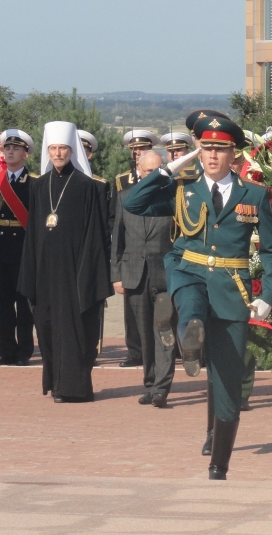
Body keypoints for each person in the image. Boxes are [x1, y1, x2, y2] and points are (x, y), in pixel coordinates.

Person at [124, 115, 272, 480]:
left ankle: (219, 463)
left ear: (233, 155)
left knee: (228, 381)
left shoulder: (254, 195)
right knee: (191, 307)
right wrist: (171, 165)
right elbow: (135, 202)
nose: (212, 156)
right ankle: (188, 336)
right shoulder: (182, 189)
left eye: (220, 150)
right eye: (206, 148)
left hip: (231, 286)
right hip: (188, 271)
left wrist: (269, 295)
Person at [17, 122, 113, 403]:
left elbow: (95, 235)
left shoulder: (88, 186)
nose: (58, 153)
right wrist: (30, 274)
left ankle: (76, 388)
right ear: (47, 151)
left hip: (75, 273)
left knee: (77, 332)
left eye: (63, 148)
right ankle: (56, 383)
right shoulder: (38, 186)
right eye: (53, 149)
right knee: (47, 329)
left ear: (72, 151)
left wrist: (88, 275)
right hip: (46, 273)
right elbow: (33, 232)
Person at [113, 144, 176, 408]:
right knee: (143, 334)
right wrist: (116, 274)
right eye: (147, 170)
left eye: (157, 170)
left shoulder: (174, 198)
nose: (152, 175)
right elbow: (117, 238)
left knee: (163, 331)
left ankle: (161, 387)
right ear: (139, 170)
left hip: (165, 276)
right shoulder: (125, 197)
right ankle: (149, 383)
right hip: (134, 274)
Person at [0, 129, 36, 366]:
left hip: (24, 248)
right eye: (7, 148)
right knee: (2, 304)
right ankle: (6, 351)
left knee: (24, 304)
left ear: (26, 154)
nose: (10, 151)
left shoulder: (35, 183)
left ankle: (24, 351)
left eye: (16, 148)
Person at [117, 129, 160, 369]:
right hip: (133, 263)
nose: (136, 153)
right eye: (134, 150)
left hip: (160, 264)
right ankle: (135, 352)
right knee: (133, 317)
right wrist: (116, 272)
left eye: (142, 149)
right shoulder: (123, 186)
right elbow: (118, 231)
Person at [78, 127, 114, 364]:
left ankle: (91, 348)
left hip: (92, 253)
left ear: (89, 155)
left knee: (92, 301)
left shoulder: (100, 186)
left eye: (84, 150)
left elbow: (106, 223)